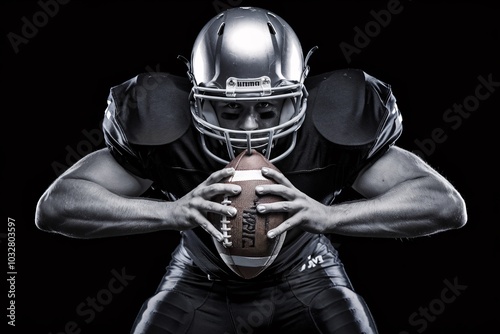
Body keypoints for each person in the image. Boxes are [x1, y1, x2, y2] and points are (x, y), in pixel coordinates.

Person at [35, 6, 467, 334]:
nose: (250, 129)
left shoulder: (334, 124)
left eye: (265, 109)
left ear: (299, 96)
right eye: (229, 111)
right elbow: (57, 206)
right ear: (197, 99)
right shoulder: (164, 128)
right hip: (198, 282)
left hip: (309, 276)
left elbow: (443, 204)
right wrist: (168, 212)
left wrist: (331, 216)